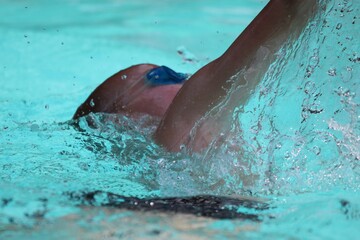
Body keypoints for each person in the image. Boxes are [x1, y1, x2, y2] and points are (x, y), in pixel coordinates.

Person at [74, 0, 318, 152]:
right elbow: (288, 10)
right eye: (162, 76)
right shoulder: (179, 135)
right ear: (117, 121)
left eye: (172, 75)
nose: (185, 80)